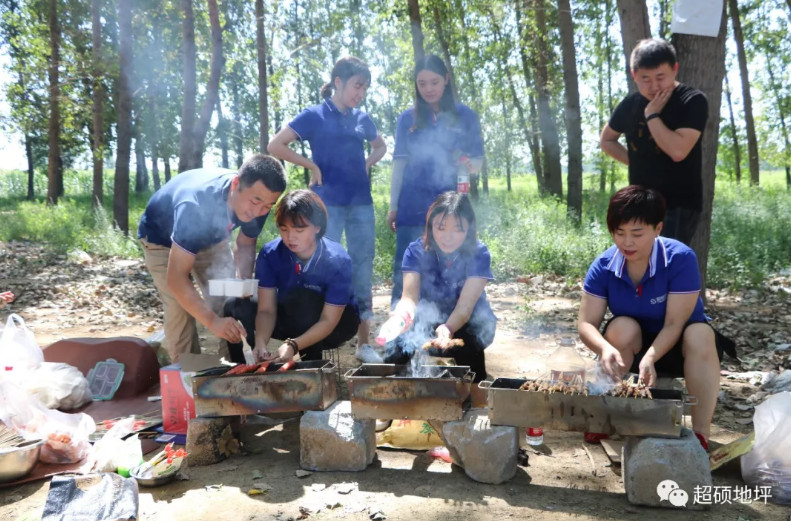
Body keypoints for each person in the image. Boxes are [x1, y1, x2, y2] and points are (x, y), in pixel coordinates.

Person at [577, 185, 720, 449]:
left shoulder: (680, 259)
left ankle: (701, 432)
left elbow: (674, 323)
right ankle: (603, 418)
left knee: (700, 334)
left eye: (637, 233)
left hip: (678, 344)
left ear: (658, 229)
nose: (627, 242)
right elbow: (586, 323)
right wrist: (604, 347)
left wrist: (651, 358)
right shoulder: (604, 265)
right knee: (621, 328)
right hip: (631, 344)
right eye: (619, 233)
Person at [268, 56, 386, 360]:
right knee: (320, 265)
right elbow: (276, 145)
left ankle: (363, 344)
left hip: (361, 203)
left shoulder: (362, 118)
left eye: (365, 88)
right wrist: (309, 164)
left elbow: (380, 146)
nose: (361, 93)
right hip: (327, 205)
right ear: (338, 82)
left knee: (362, 267)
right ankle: (311, 343)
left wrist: (365, 164)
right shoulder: (314, 115)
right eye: (357, 86)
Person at [137, 154, 286, 363]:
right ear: (236, 184)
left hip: (212, 239)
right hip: (161, 240)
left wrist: (241, 284)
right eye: (256, 202)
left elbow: (245, 243)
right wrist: (212, 321)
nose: (258, 212)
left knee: (227, 299)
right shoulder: (195, 204)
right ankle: (189, 376)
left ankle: (234, 368)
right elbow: (176, 278)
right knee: (180, 308)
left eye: (267, 206)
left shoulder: (259, 201)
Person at [388, 55, 484, 305]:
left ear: (446, 80)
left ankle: (453, 328)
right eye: (422, 83)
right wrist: (393, 206)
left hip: (451, 211)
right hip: (411, 208)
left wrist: (465, 163)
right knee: (405, 270)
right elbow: (399, 164)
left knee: (451, 272)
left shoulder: (466, 116)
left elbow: (478, 163)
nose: (428, 89)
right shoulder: (407, 119)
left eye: (434, 82)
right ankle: (400, 337)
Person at [223, 190, 359, 364]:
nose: (290, 237)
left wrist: (293, 345)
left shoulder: (337, 260)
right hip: (291, 316)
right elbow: (266, 309)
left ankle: (311, 374)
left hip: (337, 325)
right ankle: (245, 370)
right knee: (234, 304)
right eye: (284, 229)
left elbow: (328, 320)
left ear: (317, 227)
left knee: (305, 297)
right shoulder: (271, 253)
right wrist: (261, 341)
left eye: (299, 230)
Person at [600, 38, 708, 246]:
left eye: (660, 77)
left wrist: (651, 115)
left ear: (674, 69)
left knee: (666, 266)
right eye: (645, 79)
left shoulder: (692, 101)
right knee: (640, 267)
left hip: (679, 204)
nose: (654, 86)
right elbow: (607, 140)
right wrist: (639, 161)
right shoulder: (630, 104)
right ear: (634, 75)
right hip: (640, 204)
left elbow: (678, 151)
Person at [381, 191, 496, 384]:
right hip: (426, 322)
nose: (448, 237)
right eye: (440, 227)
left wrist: (448, 328)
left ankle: (476, 394)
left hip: (465, 323)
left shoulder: (479, 254)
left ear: (469, 228)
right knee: (398, 342)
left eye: (458, 229)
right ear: (430, 226)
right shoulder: (416, 251)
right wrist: (402, 316)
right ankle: (398, 392)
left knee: (470, 342)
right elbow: (409, 298)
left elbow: (464, 308)